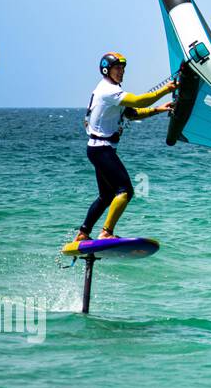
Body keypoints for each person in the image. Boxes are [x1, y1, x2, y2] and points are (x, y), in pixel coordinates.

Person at [71, 52, 175, 244]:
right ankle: (106, 232)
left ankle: (83, 233)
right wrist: (165, 90)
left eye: (123, 68)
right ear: (106, 70)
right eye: (117, 68)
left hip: (97, 149)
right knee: (125, 190)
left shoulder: (113, 91)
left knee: (106, 195)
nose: (122, 72)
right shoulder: (107, 91)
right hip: (101, 149)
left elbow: (133, 113)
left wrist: (160, 109)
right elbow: (138, 101)